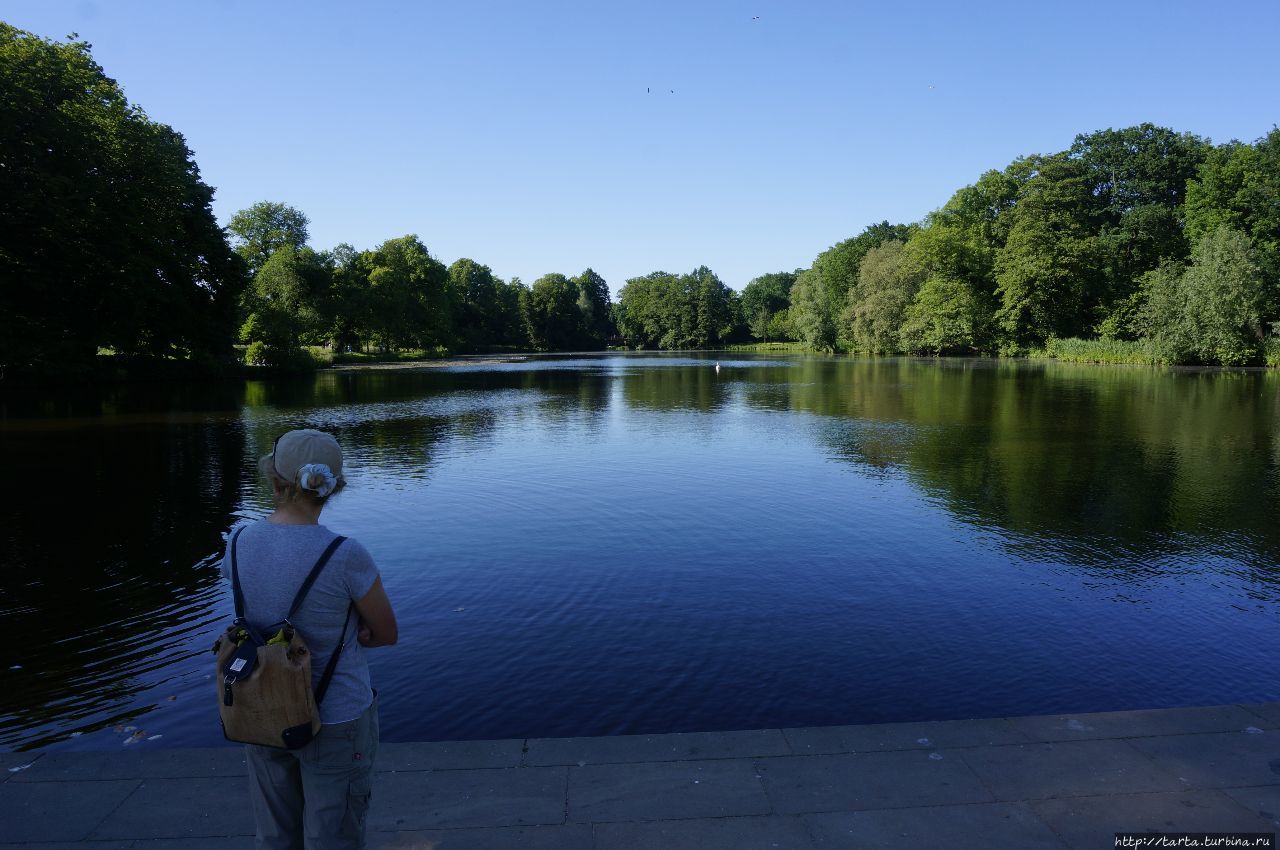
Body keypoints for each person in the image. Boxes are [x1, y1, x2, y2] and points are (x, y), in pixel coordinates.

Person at [222, 428, 398, 850]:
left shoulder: (239, 541)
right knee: (333, 834)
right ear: (332, 488)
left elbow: (258, 607)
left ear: (275, 479)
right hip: (336, 715)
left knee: (276, 833)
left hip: (262, 705)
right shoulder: (345, 553)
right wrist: (355, 629)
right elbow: (386, 633)